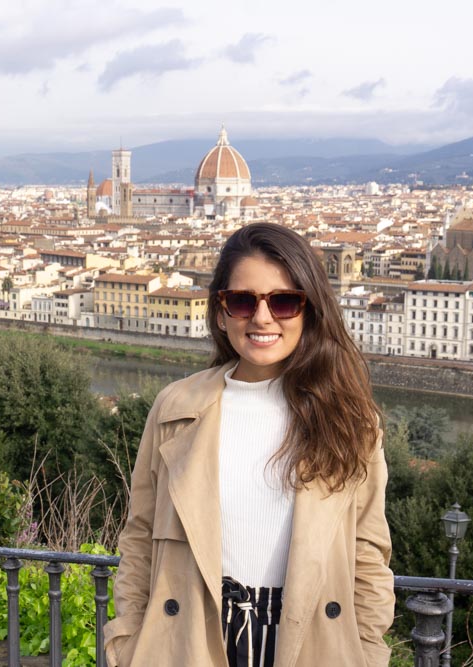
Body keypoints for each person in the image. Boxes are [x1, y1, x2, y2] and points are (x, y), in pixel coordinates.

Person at [103, 222, 394, 667]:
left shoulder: (352, 422)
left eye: (283, 301)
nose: (262, 318)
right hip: (190, 639)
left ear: (309, 310)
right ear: (221, 313)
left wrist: (368, 653)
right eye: (242, 301)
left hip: (311, 641)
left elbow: (369, 554)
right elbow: (139, 536)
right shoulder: (175, 409)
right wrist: (127, 642)